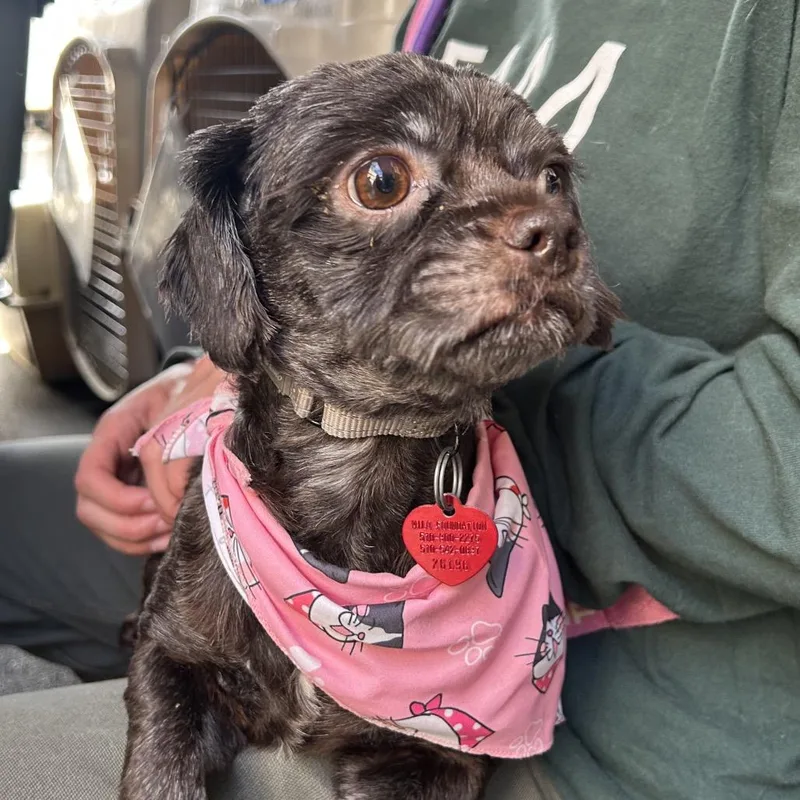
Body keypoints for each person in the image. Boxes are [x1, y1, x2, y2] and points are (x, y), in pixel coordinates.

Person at [2, 1, 799, 798]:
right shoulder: (449, 10)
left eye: (550, 181)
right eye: (383, 182)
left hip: (593, 722)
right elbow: (286, 251)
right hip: (271, 483)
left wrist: (511, 381)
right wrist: (207, 359)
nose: (539, 219)